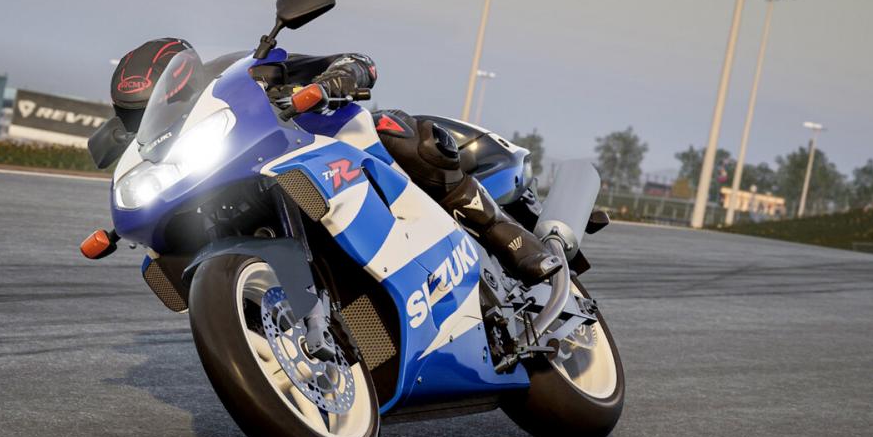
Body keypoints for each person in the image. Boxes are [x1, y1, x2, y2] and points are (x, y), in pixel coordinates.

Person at [100, 39, 562, 285]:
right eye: (135, 117)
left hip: (329, 149)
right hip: (239, 179)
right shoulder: (154, 144)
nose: (147, 121)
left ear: (183, 84)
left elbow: (356, 61)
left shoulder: (242, 73)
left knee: (397, 130)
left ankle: (509, 238)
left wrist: (334, 79)